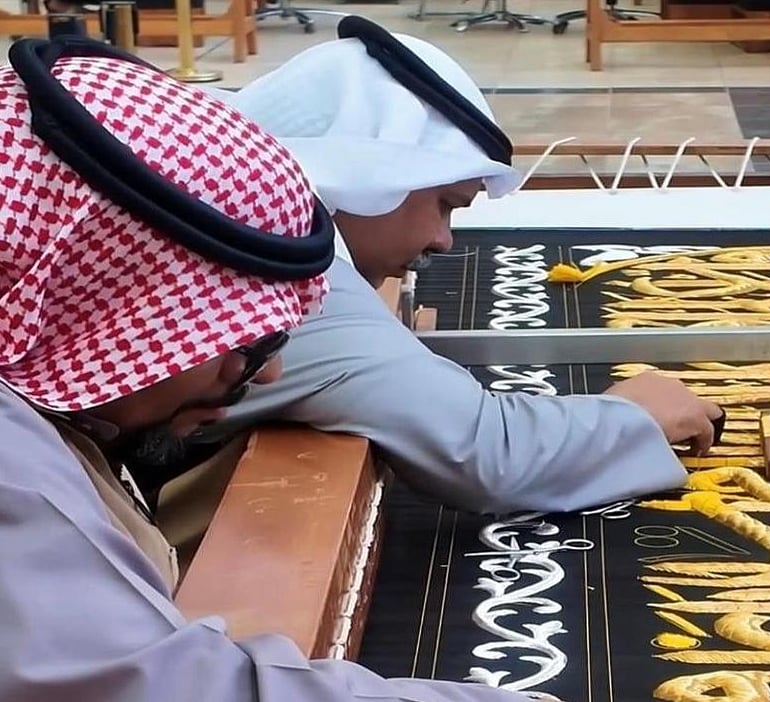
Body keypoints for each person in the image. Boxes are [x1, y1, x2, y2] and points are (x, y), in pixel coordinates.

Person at [0, 37, 538, 702]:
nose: (271, 374)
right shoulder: (15, 480)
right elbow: (172, 690)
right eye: (244, 344)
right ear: (121, 309)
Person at [172, 18, 725, 518]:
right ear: (374, 177)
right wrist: (635, 415)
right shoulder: (293, 273)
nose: (443, 239)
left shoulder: (231, 209)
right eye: (444, 204)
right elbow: (488, 452)